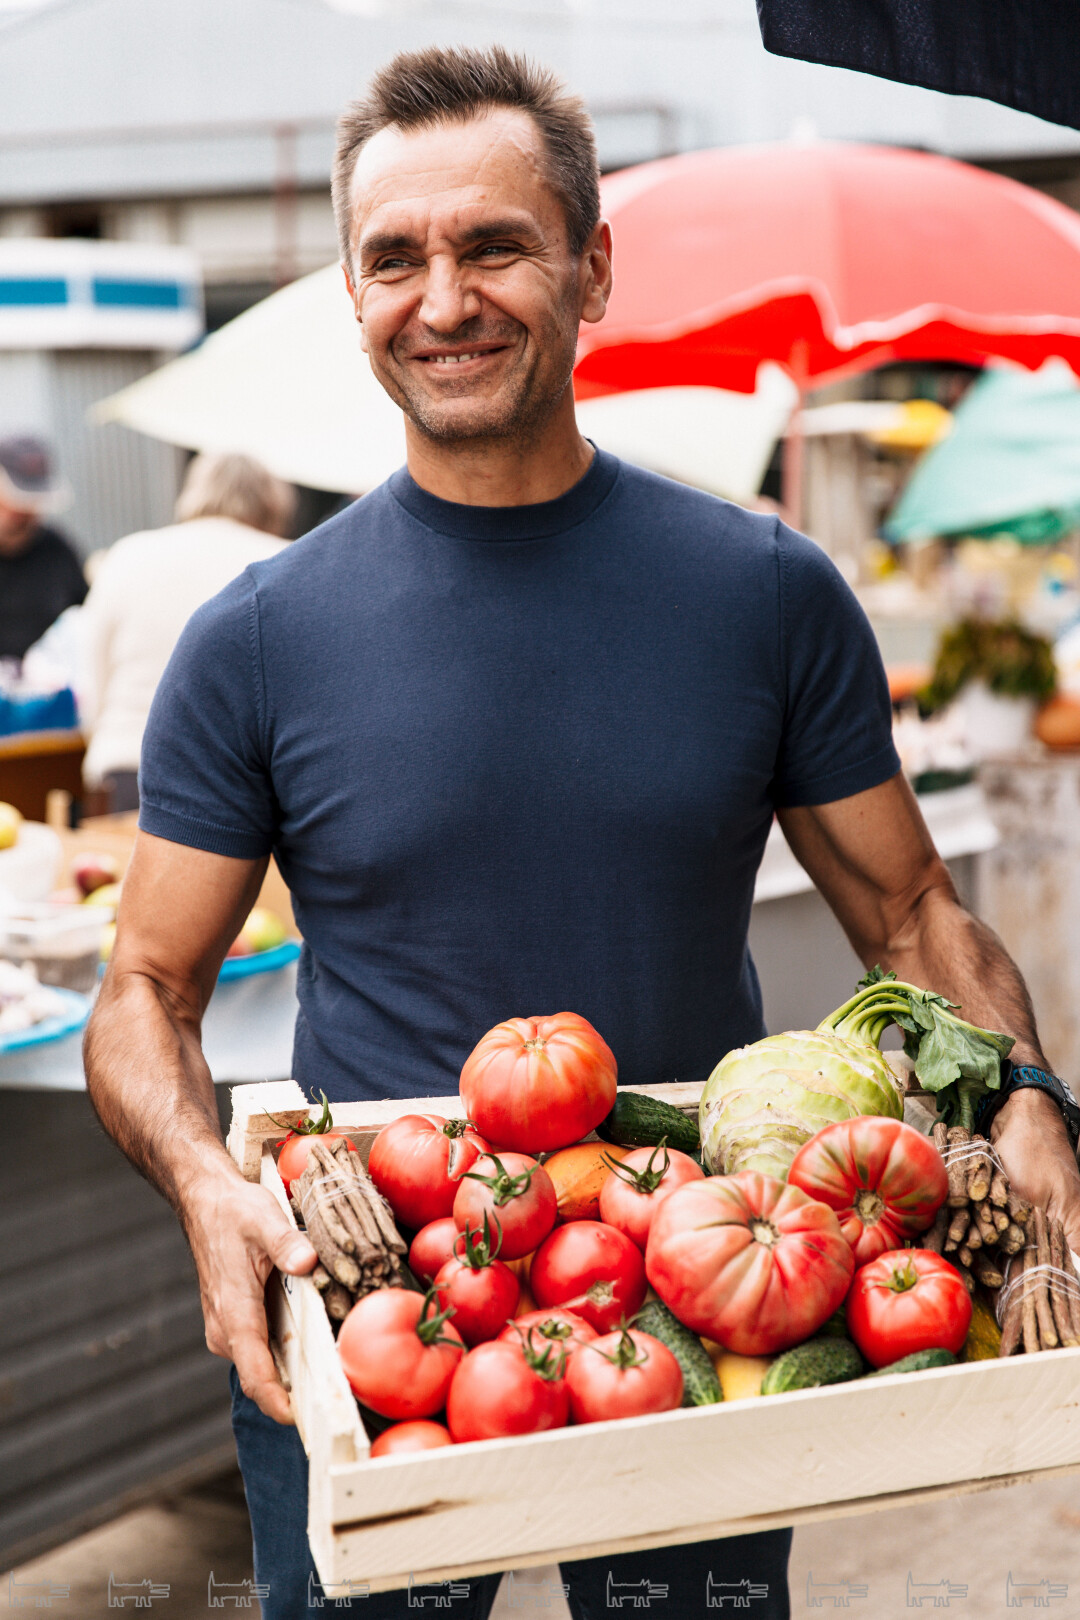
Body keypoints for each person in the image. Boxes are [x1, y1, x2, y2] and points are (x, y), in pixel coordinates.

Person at [84, 45, 1080, 1620]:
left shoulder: (764, 594)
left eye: (494, 245)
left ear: (592, 266)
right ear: (354, 294)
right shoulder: (258, 635)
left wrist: (1027, 1087)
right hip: (374, 1289)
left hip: (710, 1271)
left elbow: (910, 917)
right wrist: (214, 1191)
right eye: (394, 258)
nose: (444, 297)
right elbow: (143, 990)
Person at [79, 453, 294, 813]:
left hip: (124, 769)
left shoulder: (129, 554)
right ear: (274, 503)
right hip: (242, 784)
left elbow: (91, 682)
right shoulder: (285, 561)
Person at [0, 434, 86, 664]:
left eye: (32, 502)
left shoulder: (58, 549)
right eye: (16, 501)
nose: (24, 513)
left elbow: (84, 617)